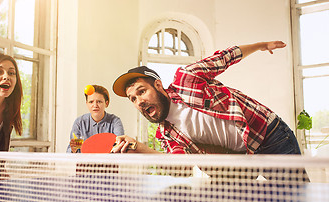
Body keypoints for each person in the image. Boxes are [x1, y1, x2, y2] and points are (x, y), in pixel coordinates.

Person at [111, 41, 302, 155]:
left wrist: (262, 45)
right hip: (242, 159)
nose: (139, 102)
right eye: (133, 99)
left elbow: (226, 57)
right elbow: (179, 168)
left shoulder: (187, 78)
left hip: (271, 136)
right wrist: (138, 147)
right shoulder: (167, 134)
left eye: (141, 91)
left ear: (158, 85)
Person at [67, 84, 124, 153]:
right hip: (85, 162)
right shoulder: (79, 122)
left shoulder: (115, 121)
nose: (95, 105)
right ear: (87, 104)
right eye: (91, 102)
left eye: (99, 102)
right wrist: (73, 150)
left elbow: (119, 147)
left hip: (109, 162)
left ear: (106, 103)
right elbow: (71, 150)